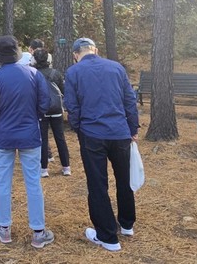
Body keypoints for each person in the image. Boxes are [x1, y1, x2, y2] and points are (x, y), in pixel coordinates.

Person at [63, 37, 139, 252]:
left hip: (92, 133)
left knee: (97, 184)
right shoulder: (116, 68)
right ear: (95, 50)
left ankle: (107, 236)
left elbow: (72, 105)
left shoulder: (73, 72)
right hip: (120, 132)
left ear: (76, 55)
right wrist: (132, 128)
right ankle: (127, 224)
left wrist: (78, 129)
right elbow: (129, 100)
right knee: (124, 179)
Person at [0, 35, 54, 249]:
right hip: (29, 134)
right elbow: (45, 103)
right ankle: (38, 232)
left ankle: (4, 228)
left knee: (2, 182)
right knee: (33, 182)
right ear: (17, 53)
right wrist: (33, 117)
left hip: (3, 136)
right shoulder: (33, 74)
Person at [32, 48, 71, 177]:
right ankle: (66, 167)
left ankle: (44, 169)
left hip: (41, 110)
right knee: (60, 138)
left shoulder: (33, 74)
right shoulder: (55, 73)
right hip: (56, 110)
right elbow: (63, 90)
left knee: (43, 139)